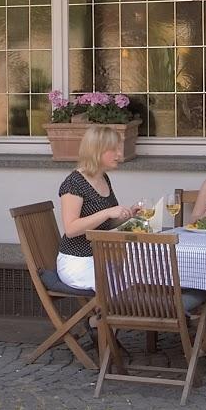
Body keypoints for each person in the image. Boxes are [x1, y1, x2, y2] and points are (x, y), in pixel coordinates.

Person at [56, 124, 137, 292]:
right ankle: (101, 318)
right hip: (77, 262)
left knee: (139, 274)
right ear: (97, 151)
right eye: (113, 149)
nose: (119, 154)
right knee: (122, 283)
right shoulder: (74, 182)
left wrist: (127, 215)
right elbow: (71, 229)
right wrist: (107, 212)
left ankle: (108, 317)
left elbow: (104, 224)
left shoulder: (103, 178)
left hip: (100, 258)